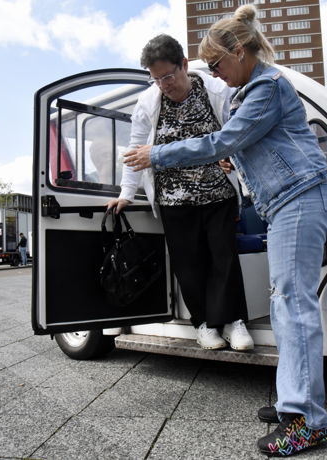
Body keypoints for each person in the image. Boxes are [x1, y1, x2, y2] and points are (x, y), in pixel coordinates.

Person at [123, 5, 327, 456]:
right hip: (287, 201)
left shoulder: (266, 86)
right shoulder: (251, 88)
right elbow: (246, 145)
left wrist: (157, 155)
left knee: (293, 306)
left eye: (217, 64)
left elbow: (225, 138)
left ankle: (308, 420)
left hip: (300, 197)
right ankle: (291, 402)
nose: (216, 75)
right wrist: (233, 161)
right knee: (285, 307)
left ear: (239, 52)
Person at [105, 34, 254, 351]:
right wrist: (126, 193)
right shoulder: (147, 103)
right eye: (156, 79)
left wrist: (235, 162)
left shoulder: (216, 91)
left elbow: (238, 135)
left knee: (223, 259)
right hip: (174, 200)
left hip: (218, 193)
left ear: (184, 65)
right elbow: (135, 151)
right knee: (189, 263)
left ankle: (233, 322)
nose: (163, 84)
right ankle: (203, 324)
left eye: (168, 76)